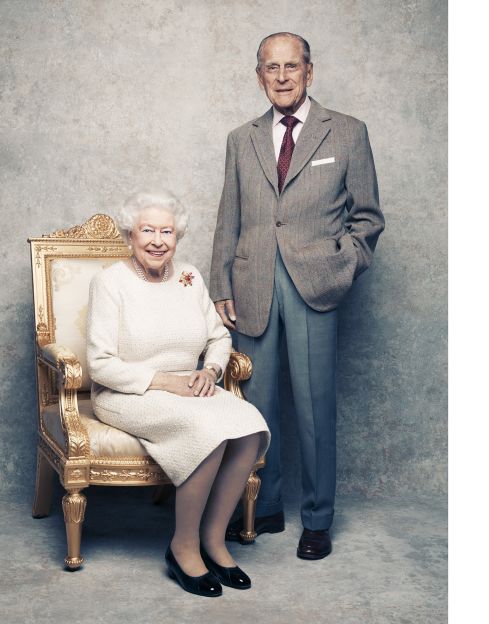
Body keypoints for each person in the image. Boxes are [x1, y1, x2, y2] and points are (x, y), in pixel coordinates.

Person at [209, 32, 385, 560]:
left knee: (314, 407)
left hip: (315, 285)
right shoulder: (241, 139)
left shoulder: (348, 133)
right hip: (251, 283)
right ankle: (261, 508)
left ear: (309, 71)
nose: (282, 77)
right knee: (255, 408)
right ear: (258, 75)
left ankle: (317, 519)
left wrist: (341, 264)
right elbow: (228, 217)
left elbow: (368, 218)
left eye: (291, 66)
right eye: (271, 68)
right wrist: (221, 283)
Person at [86, 190, 271, 597]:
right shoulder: (110, 282)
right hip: (128, 393)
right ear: (130, 235)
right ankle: (182, 546)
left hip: (190, 386)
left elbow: (219, 336)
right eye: (147, 230)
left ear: (178, 236)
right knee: (205, 430)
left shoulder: (189, 276)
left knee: (251, 426)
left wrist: (211, 369)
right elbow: (99, 364)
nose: (157, 240)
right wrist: (165, 381)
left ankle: (214, 539)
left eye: (166, 231)